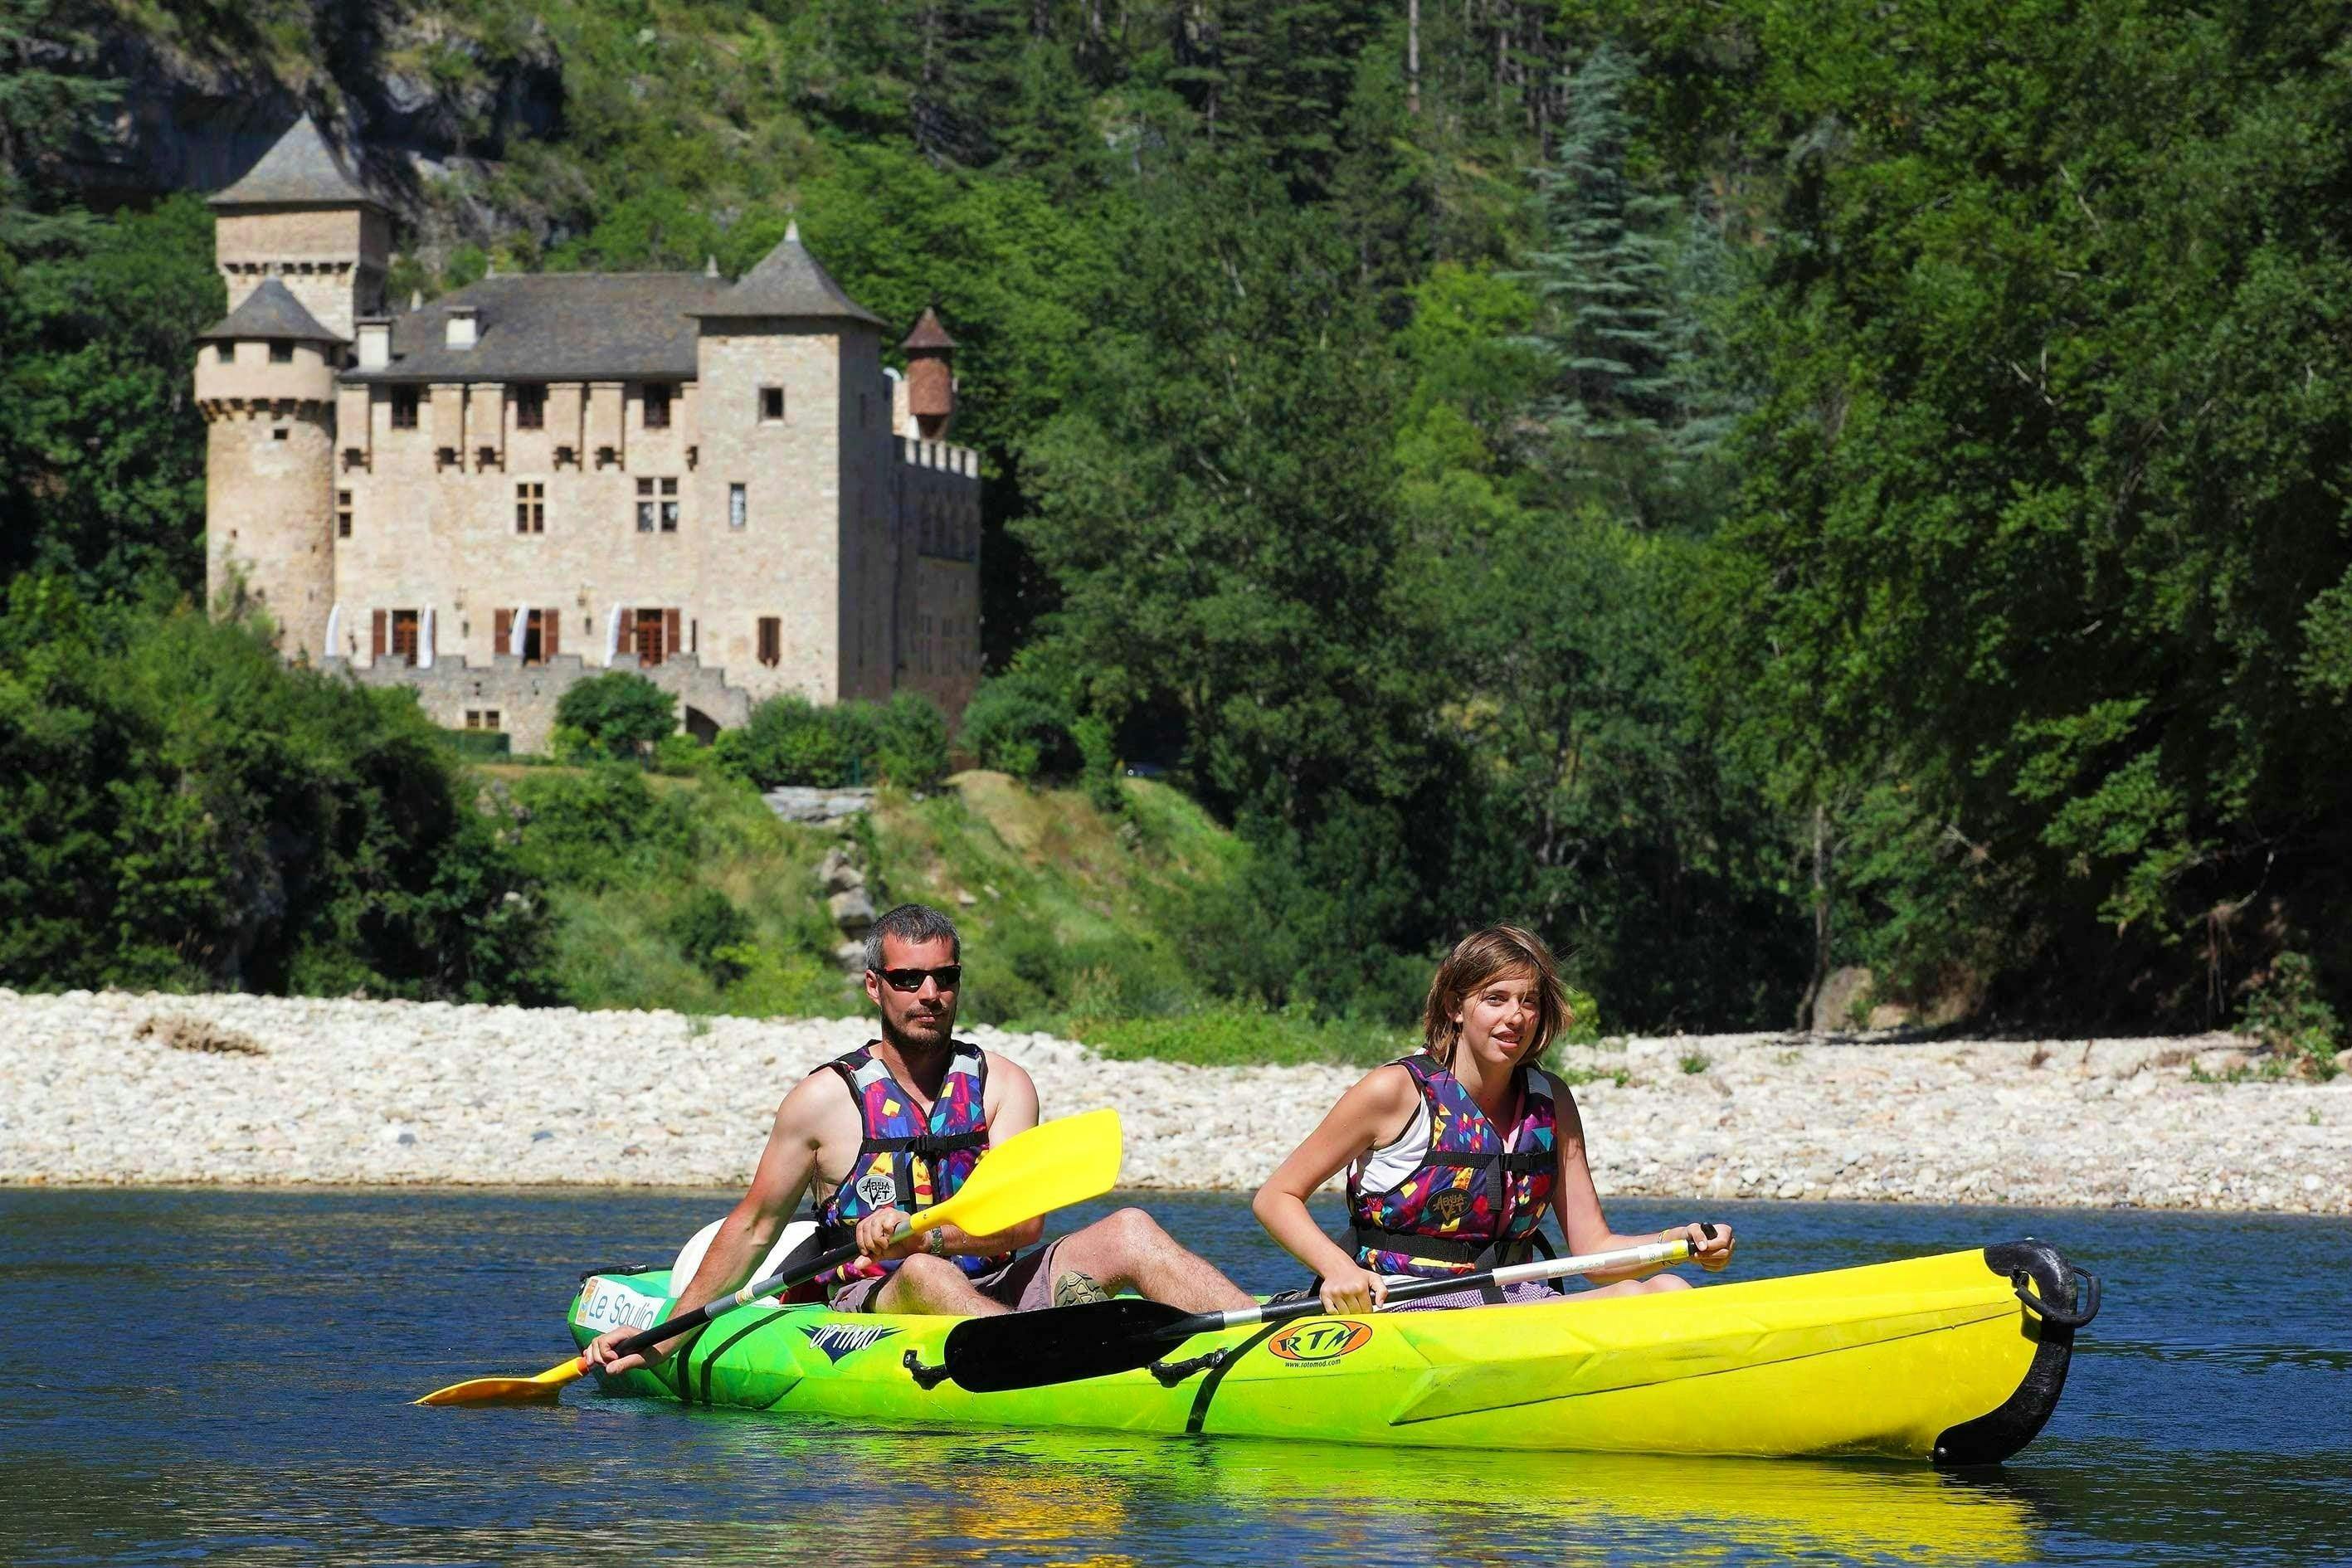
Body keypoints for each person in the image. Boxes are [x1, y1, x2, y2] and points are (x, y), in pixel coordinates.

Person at [584, 903, 1250, 1376]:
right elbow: (756, 1226)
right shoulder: (823, 1101)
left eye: (944, 978)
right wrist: (663, 1339)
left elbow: (1022, 1226)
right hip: (874, 1300)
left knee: (1131, 1227)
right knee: (926, 1273)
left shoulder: (1002, 1085)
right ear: (876, 986)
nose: (928, 994)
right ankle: (1059, 1366)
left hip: (998, 1281)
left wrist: (922, 1233)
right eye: (907, 980)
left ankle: (1296, 1342)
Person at [1254, 925, 1735, 1313]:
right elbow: (1277, 1197)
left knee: (1668, 1289)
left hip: (1515, 1302)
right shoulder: (1394, 1092)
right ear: (1455, 1007)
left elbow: (1595, 1249)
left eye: (1528, 1001)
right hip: (1404, 1304)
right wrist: (1338, 1270)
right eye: (1495, 998)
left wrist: (1676, 1242)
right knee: (1637, 1299)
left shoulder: (1552, 1103)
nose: (1516, 1017)